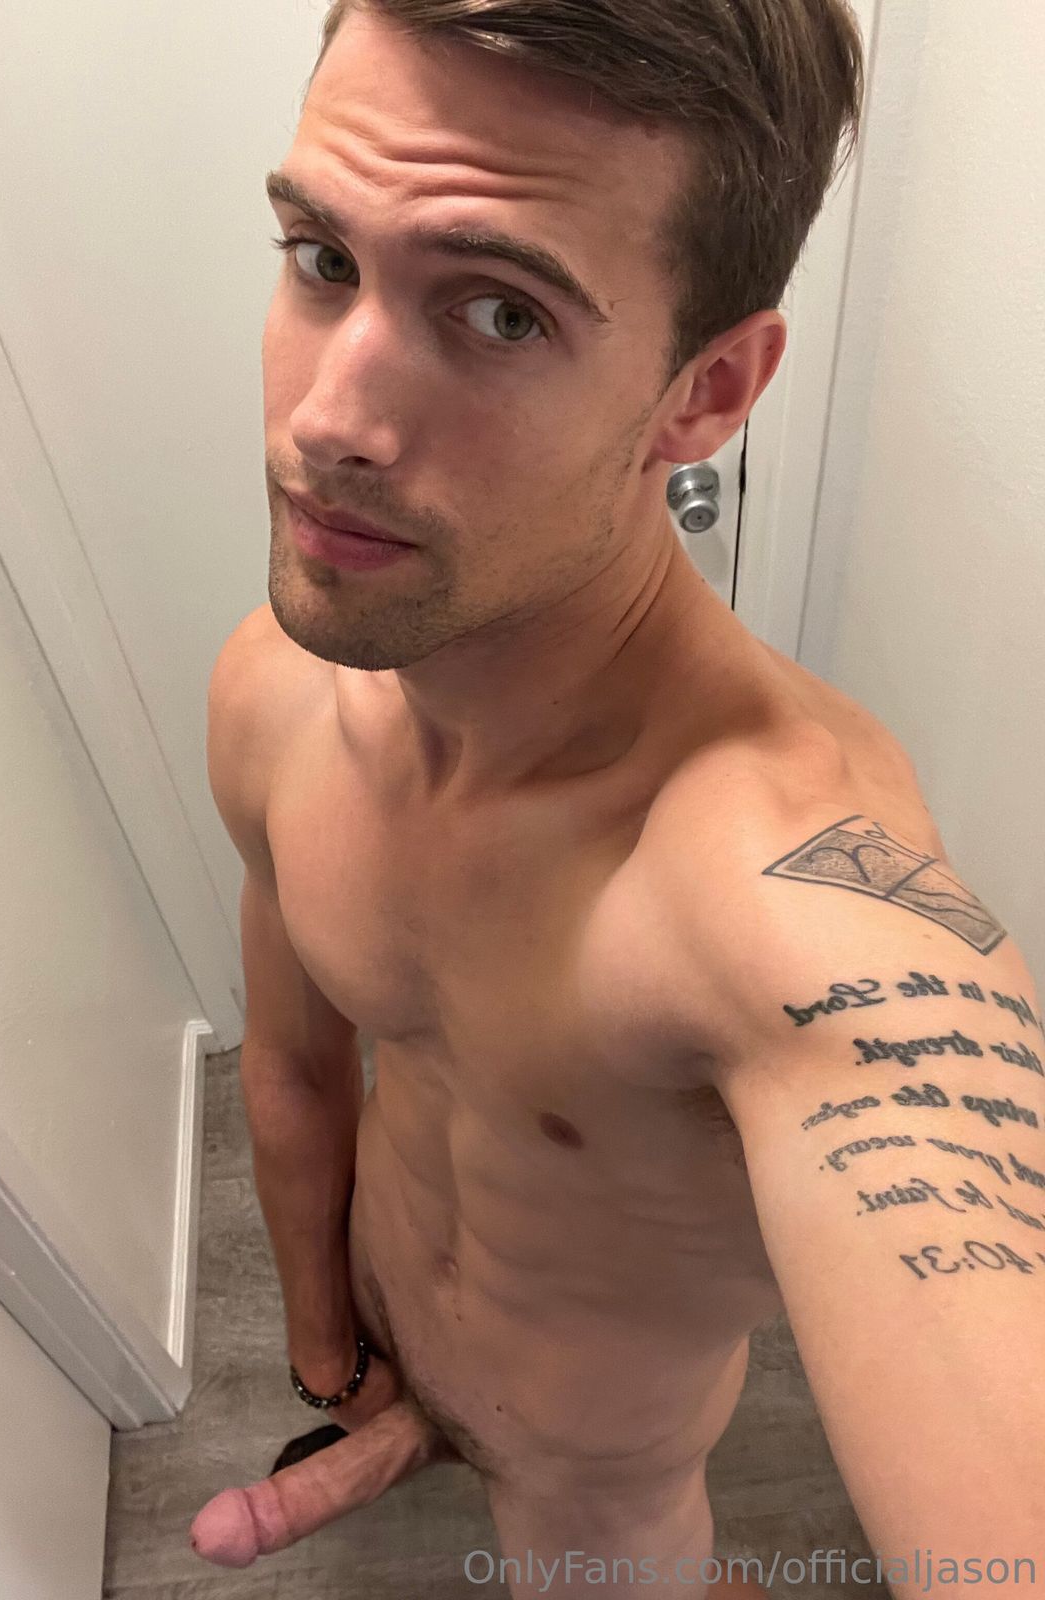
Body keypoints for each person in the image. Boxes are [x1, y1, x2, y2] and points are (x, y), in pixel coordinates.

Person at [192, 2, 1045, 1595]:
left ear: (704, 393)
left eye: (499, 313)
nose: (328, 424)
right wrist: (328, 1357)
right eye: (323, 258)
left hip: (601, 1491)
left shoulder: (777, 888)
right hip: (386, 1332)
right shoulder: (277, 696)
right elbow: (300, 1074)